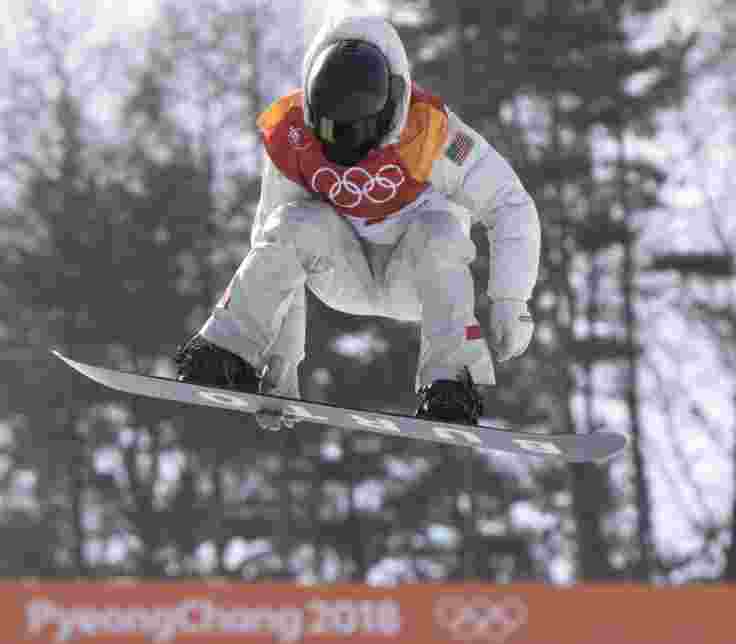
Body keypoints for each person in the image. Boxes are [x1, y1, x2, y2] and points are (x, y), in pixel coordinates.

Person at [173, 14, 540, 429]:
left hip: (419, 280)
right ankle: (226, 351)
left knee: (437, 232)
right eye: (332, 132)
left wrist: (512, 298)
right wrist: (282, 362)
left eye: (360, 132)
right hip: (342, 271)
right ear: (312, 110)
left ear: (390, 110)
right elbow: (274, 249)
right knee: (291, 222)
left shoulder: (431, 133)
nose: (348, 146)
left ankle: (452, 384)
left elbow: (508, 202)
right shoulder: (294, 137)